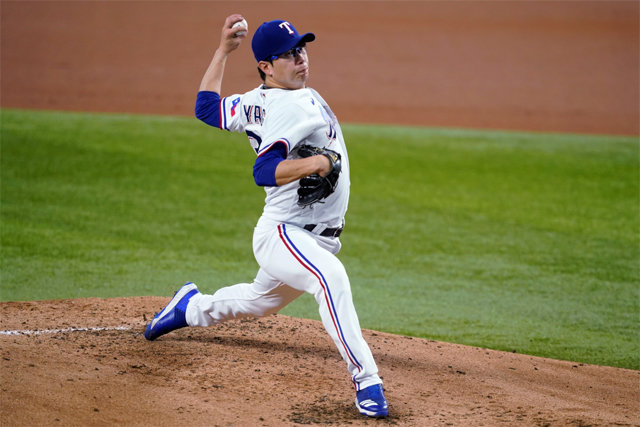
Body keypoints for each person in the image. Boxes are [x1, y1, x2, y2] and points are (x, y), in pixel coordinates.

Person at [143, 14, 388, 418]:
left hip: (308, 236)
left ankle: (188, 307)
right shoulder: (290, 107)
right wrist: (317, 164)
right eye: (288, 55)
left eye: (301, 48)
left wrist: (222, 51)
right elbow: (263, 171)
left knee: (259, 302)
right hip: (285, 232)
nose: (301, 58)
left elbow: (206, 108)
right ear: (266, 67)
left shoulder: (255, 100)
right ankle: (367, 379)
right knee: (330, 278)